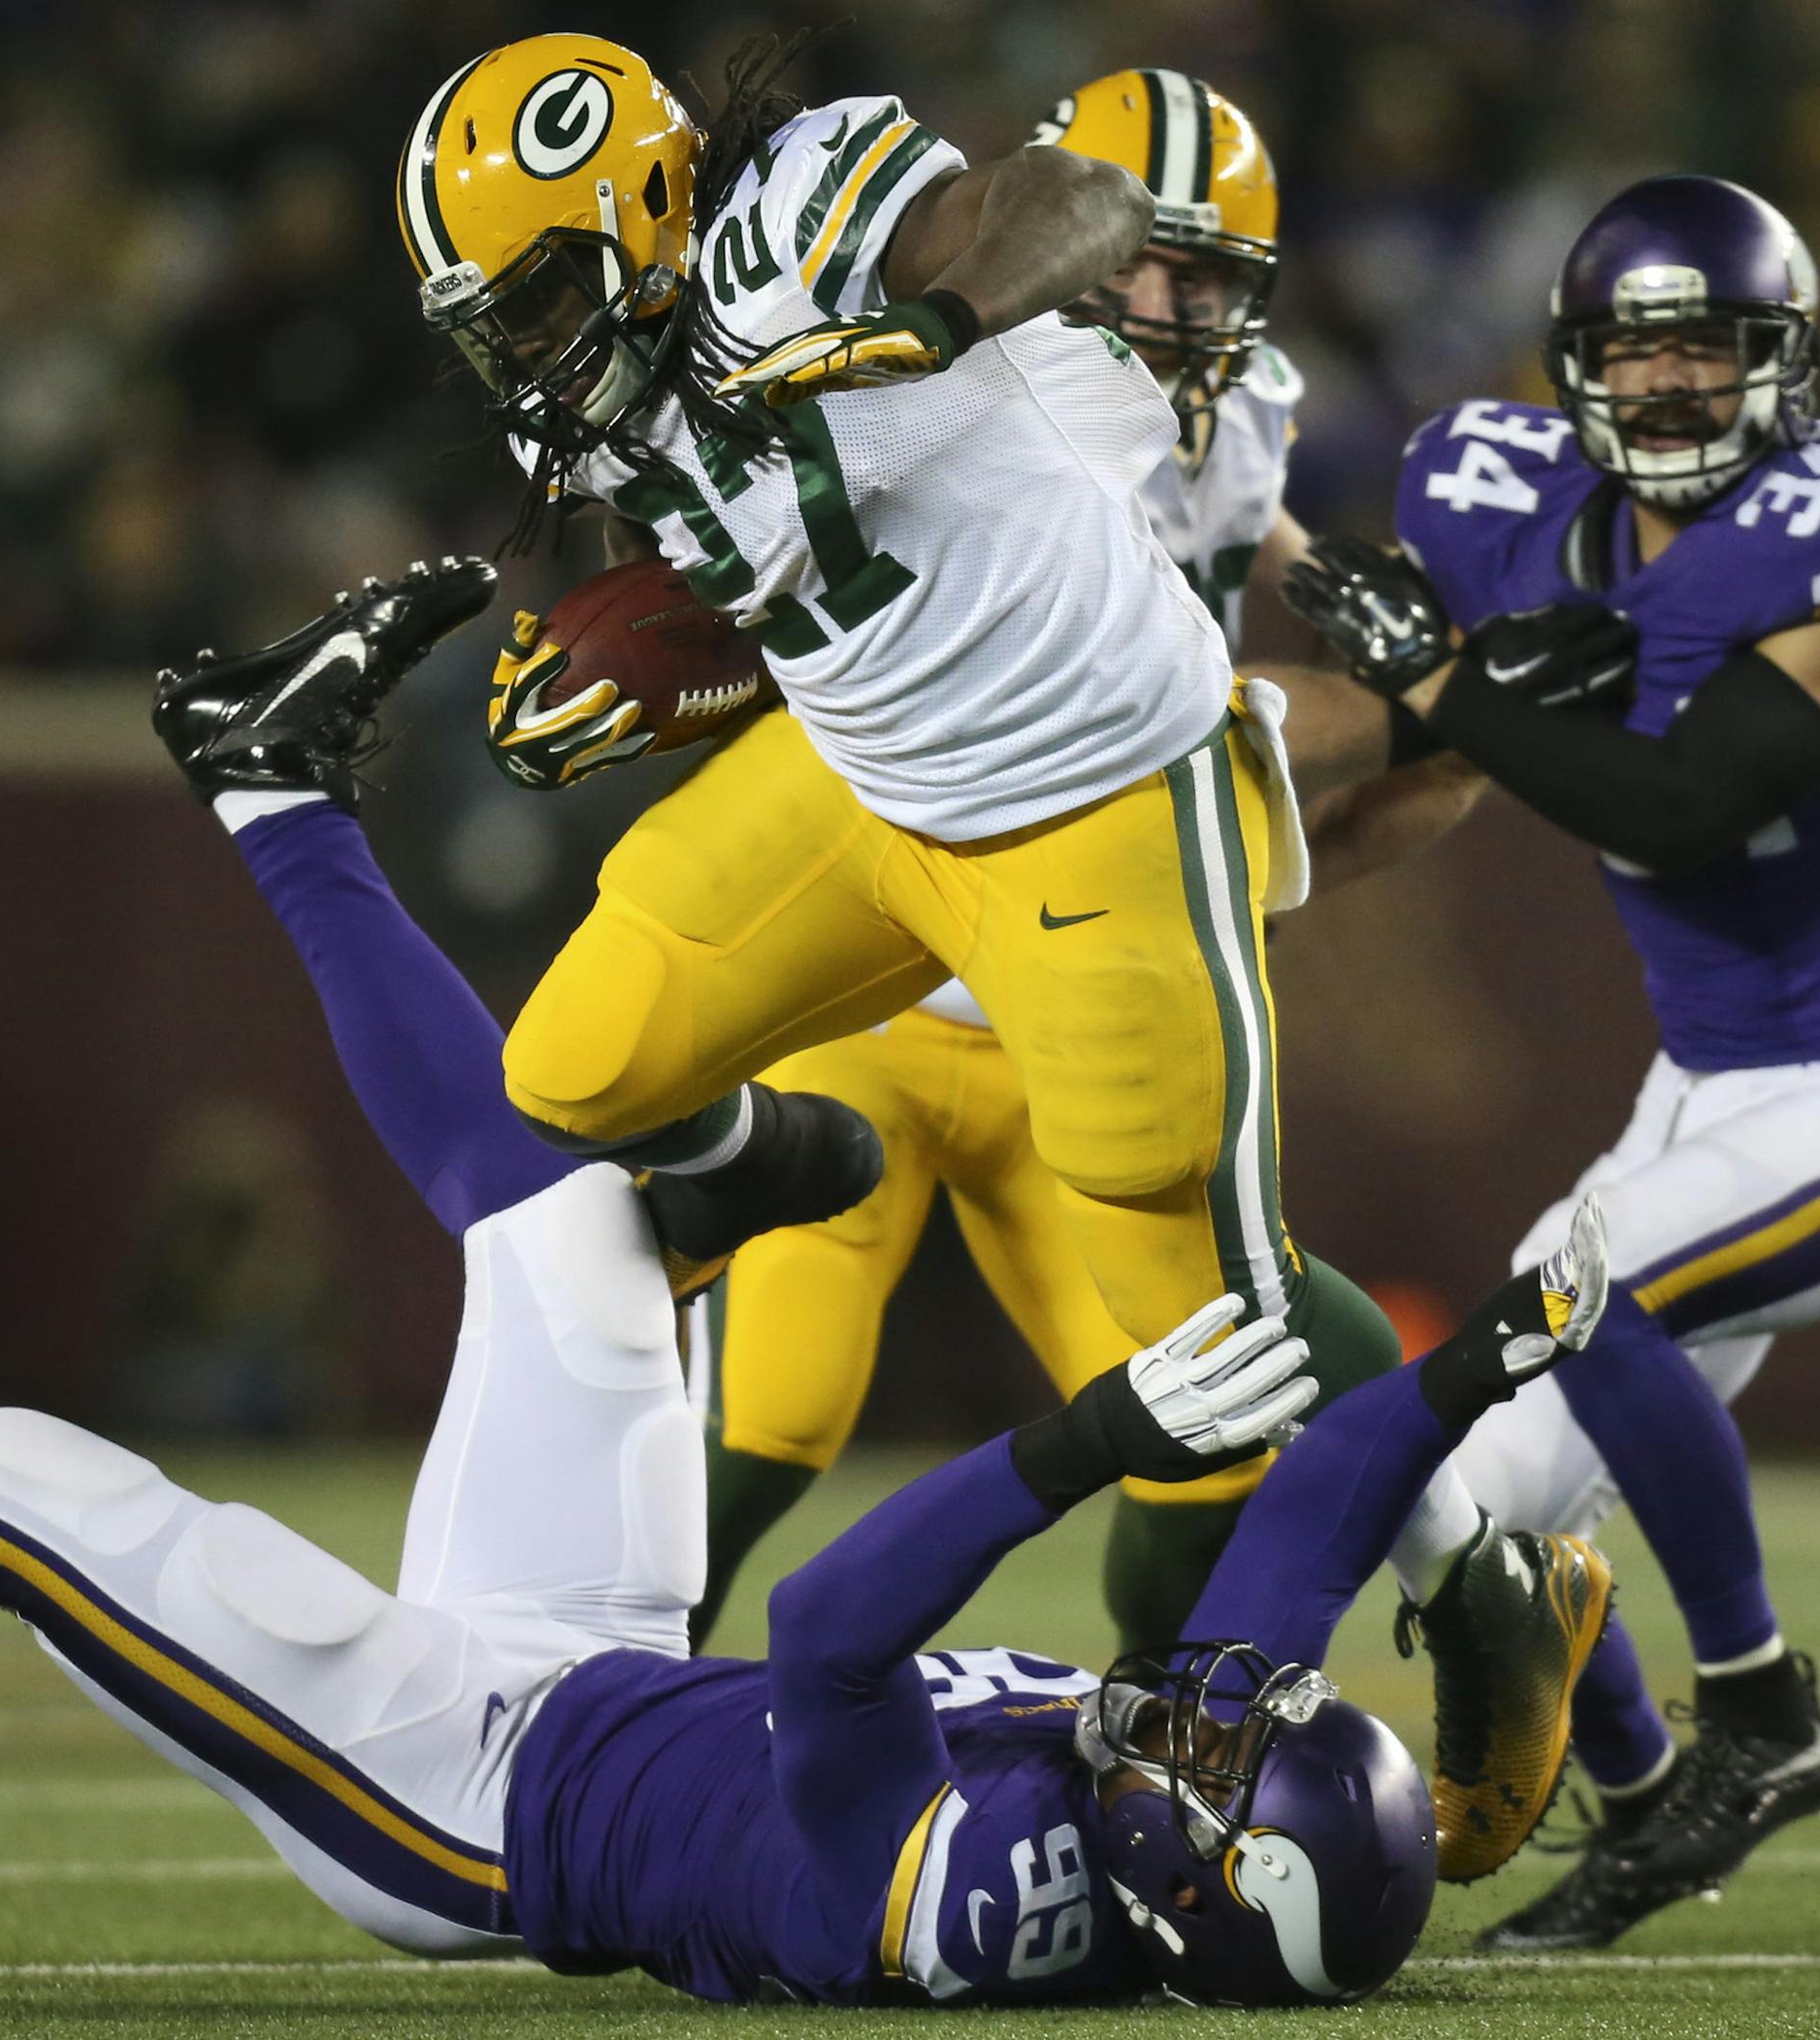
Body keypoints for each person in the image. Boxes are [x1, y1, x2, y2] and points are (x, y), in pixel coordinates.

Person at [0, 575, 1614, 2008]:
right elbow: (1313, 1529)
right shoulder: (1168, 1815)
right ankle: (273, 781)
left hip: (457, 1796)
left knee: (3, 1478)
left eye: (1222, 1757)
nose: (1207, 1709)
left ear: (1192, 1882)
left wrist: (1096, 1434)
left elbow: (825, 1634)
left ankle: (716, 1160)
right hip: (597, 1663)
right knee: (565, 1222)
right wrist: (1483, 1360)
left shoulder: (977, 1905)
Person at [401, 34, 1588, 1880]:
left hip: (1088, 795)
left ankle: (1497, 1589)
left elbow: (1077, 201)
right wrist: (653, 671)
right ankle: (792, 1163)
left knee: (1224, 1325)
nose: (526, 350)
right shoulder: (596, 393)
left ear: (637, 218)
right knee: (574, 1069)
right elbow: (783, 565)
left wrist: (938, 320)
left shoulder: (795, 217)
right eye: (497, 321)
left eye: (542, 297)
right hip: (860, 781)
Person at [1283, 174, 1820, 1948]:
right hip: (1698, 1096)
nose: (1671, 382)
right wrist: (1274, 776)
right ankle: (1639, 1783)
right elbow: (1429, 751)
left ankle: (1759, 1712)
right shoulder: (1512, 515)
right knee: (1463, 1512)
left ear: (1786, 364)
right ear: (1575, 367)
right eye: (1636, 350)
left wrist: (1450, 684)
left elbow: (1678, 808)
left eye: (1710, 348)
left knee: (1581, 1294)